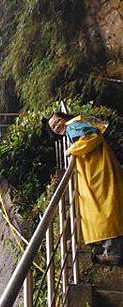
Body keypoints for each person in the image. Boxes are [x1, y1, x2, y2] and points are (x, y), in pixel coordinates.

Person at [47, 111, 123, 265]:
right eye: (53, 127)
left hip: (98, 172)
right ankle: (110, 249)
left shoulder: (72, 126)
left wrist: (71, 150)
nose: (56, 127)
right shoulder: (74, 125)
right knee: (107, 209)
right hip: (98, 168)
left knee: (104, 210)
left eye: (57, 121)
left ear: (64, 119)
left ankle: (114, 253)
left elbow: (92, 137)